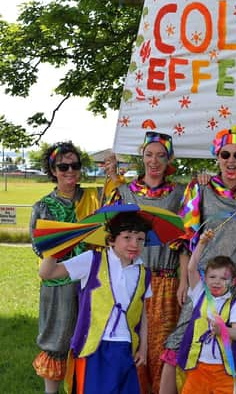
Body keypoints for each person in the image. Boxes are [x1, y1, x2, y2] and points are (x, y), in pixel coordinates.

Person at [160, 127, 236, 394]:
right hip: (205, 283)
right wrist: (182, 281)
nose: (231, 160)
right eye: (225, 154)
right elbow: (186, 238)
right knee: (183, 338)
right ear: (217, 156)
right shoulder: (199, 187)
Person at [105, 131, 190, 394]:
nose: (154, 161)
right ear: (141, 156)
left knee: (163, 347)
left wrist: (184, 282)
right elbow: (109, 238)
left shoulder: (180, 193)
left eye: (161, 156)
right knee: (131, 344)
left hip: (166, 282)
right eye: (149, 155)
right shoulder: (124, 193)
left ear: (169, 159)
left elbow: (185, 243)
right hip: (133, 280)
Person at [30, 141, 117, 394]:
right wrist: (75, 239)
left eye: (75, 165)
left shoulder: (94, 196)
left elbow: (115, 212)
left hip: (91, 281)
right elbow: (39, 246)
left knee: (91, 339)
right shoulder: (43, 206)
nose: (70, 170)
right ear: (53, 170)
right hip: (57, 283)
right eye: (63, 166)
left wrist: (112, 175)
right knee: (56, 341)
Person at [38, 212, 153, 394]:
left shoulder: (143, 272)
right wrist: (56, 249)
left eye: (140, 239)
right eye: (127, 237)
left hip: (126, 348)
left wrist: (143, 348)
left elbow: (143, 314)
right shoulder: (92, 260)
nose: (134, 244)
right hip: (94, 347)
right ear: (111, 240)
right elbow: (47, 273)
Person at [177, 228, 236, 394]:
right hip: (198, 367)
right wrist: (201, 243)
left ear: (233, 281)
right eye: (212, 277)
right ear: (205, 278)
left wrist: (222, 329)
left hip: (225, 369)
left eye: (223, 278)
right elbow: (191, 269)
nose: (217, 282)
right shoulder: (200, 293)